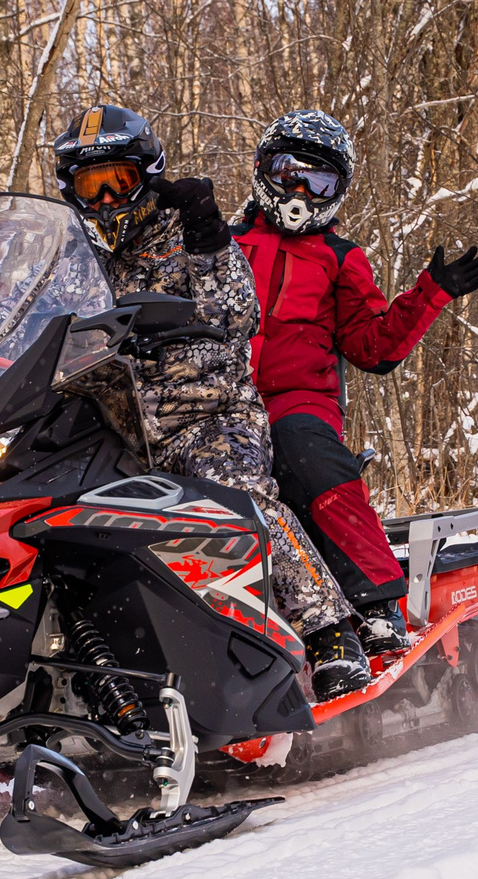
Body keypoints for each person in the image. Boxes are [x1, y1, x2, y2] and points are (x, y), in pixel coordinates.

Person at [49, 104, 372, 700]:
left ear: (145, 175)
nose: (104, 201)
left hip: (207, 413)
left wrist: (208, 236)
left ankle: (330, 631)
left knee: (237, 493)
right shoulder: (69, 260)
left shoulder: (186, 233)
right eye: (89, 187)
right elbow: (19, 315)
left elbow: (241, 311)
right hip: (110, 429)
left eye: (115, 182)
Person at [233, 110, 478, 655]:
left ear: (336, 191)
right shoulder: (220, 246)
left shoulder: (339, 258)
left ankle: (374, 604)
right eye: (288, 173)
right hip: (220, 401)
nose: (300, 190)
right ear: (263, 169)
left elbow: (373, 348)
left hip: (296, 399)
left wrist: (431, 293)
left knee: (306, 456)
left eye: (317, 181)